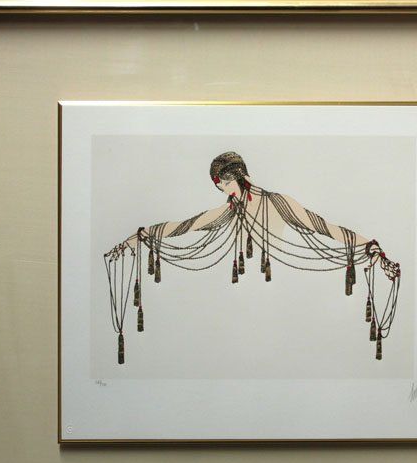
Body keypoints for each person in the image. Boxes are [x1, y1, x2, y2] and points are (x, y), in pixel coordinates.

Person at [104, 152, 400, 364]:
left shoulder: (280, 203)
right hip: (246, 316)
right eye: (220, 188)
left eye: (223, 185)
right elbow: (187, 225)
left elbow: (323, 227)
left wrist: (370, 246)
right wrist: (141, 236)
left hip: (294, 309)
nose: (224, 192)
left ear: (236, 177)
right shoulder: (230, 210)